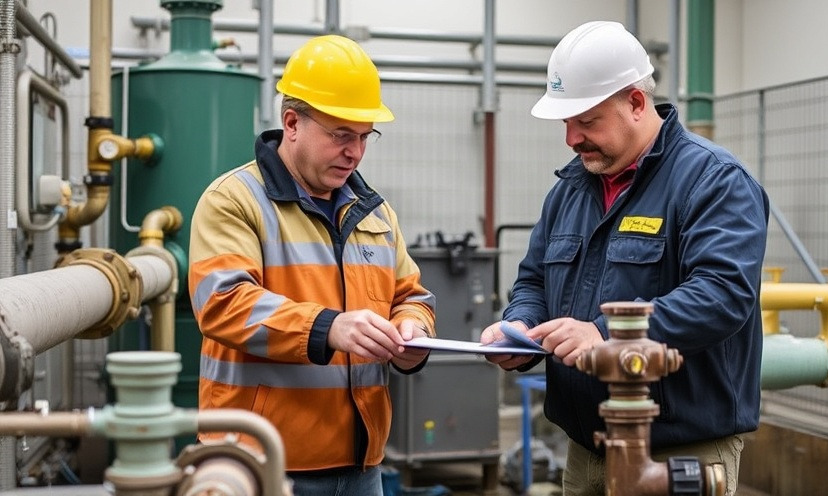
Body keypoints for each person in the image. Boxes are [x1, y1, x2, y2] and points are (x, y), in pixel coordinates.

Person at [481, 21, 769, 496]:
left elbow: (722, 295)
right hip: (584, 449)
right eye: (566, 123)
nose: (571, 139)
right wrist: (519, 329)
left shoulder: (713, 181)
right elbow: (533, 280)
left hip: (678, 452)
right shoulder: (570, 189)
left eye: (587, 121)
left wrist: (605, 334)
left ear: (636, 102)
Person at [188, 34, 435, 496]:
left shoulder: (375, 213)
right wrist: (328, 329)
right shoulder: (235, 201)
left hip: (362, 469)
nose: (356, 153)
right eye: (341, 135)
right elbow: (222, 302)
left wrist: (412, 332)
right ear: (291, 123)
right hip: (259, 465)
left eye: (364, 137)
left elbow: (412, 296)